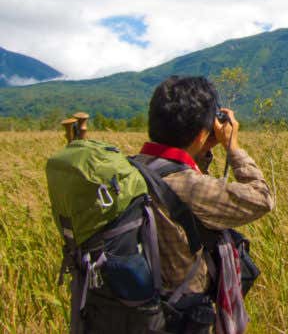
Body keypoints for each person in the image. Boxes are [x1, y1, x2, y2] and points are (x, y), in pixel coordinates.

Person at [83, 75, 274, 333]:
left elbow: (183, 197)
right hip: (177, 318)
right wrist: (233, 147)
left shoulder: (130, 169)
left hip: (125, 313)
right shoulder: (189, 186)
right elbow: (262, 198)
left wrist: (200, 150)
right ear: (200, 134)